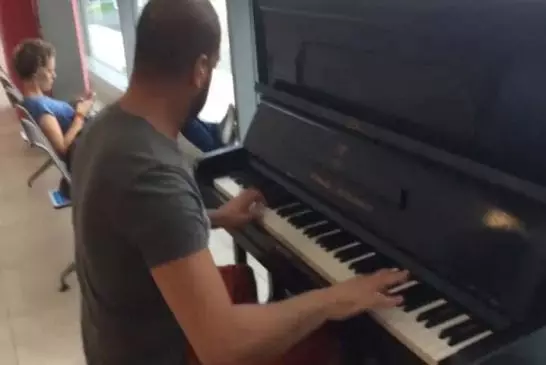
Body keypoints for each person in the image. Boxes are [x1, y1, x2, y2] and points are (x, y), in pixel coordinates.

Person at [70, 1, 409, 365]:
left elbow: (140, 224)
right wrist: (334, 298)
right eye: (214, 65)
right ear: (200, 69)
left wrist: (212, 216)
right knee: (328, 342)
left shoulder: (103, 128)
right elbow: (224, 348)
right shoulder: (155, 173)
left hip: (114, 341)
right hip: (159, 354)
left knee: (247, 283)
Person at [12, 39, 94, 158]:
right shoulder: (39, 107)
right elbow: (62, 147)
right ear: (36, 72)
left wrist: (75, 107)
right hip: (89, 151)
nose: (54, 76)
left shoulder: (33, 99)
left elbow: (57, 115)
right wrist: (80, 115)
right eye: (50, 71)